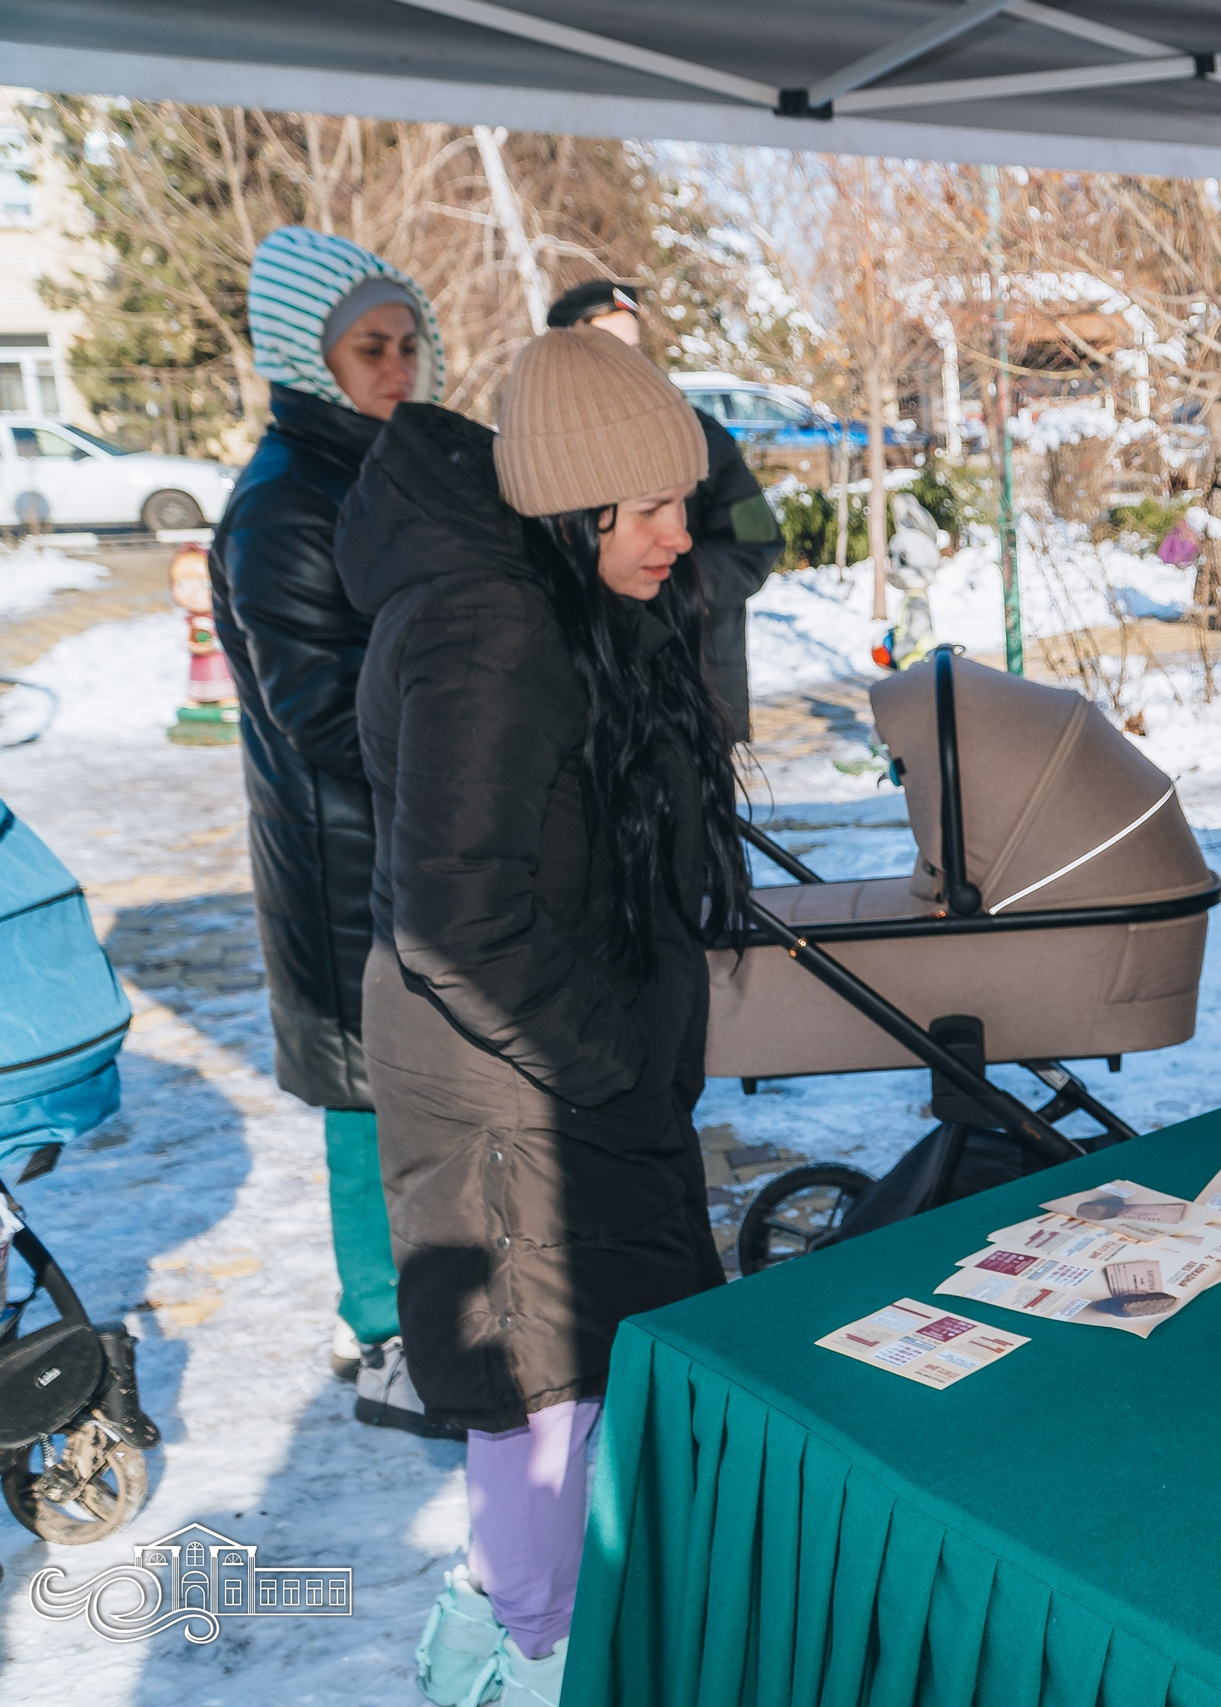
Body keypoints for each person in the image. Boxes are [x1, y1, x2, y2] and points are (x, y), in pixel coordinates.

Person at [336, 327, 742, 1704]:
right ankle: (533, 1663)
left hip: (553, 1066)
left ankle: (519, 1645)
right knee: (541, 1399)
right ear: (571, 507)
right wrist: (614, 1058)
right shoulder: (490, 628)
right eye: (650, 507)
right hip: (513, 1089)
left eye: (683, 501)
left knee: (581, 1389)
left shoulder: (557, 602)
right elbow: (456, 915)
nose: (678, 534)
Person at [209, 226, 455, 1438]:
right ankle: (385, 1342)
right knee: (368, 1114)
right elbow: (323, 715)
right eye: (370, 348)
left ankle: (426, 1318)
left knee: (416, 1104)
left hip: (404, 856)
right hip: (340, 873)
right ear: (309, 356)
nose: (397, 367)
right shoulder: (284, 508)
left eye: (409, 343)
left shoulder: (381, 472)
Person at [546, 278, 780, 739]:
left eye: (632, 348)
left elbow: (757, 543)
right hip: (589, 696)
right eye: (608, 347)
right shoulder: (546, 447)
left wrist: (671, 578)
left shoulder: (699, 435)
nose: (627, 362)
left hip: (696, 687)